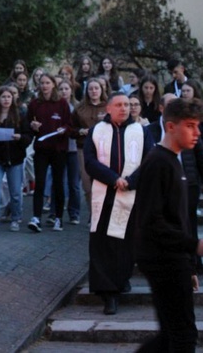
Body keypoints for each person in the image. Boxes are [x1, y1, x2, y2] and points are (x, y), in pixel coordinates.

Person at [135, 98, 203, 353]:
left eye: (198, 126)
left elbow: (179, 219)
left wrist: (189, 265)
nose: (197, 133)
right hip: (163, 261)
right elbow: (153, 221)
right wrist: (193, 246)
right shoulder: (157, 163)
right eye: (191, 126)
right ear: (171, 126)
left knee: (171, 334)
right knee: (183, 334)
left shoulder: (174, 160)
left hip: (175, 260)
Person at [84, 92, 153, 315]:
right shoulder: (97, 131)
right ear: (109, 108)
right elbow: (90, 161)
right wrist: (113, 178)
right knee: (103, 243)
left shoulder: (141, 131)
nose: (124, 108)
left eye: (127, 105)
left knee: (126, 243)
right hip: (104, 193)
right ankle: (108, 294)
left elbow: (150, 160)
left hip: (130, 194)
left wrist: (131, 181)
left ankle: (121, 280)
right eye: (119, 105)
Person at [27, 73, 72, 232]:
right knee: (39, 182)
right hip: (41, 149)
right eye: (42, 83)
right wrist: (32, 125)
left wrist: (63, 129)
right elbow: (27, 124)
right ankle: (36, 217)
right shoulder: (34, 104)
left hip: (58, 149)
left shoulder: (62, 103)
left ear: (53, 84)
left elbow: (69, 124)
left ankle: (58, 217)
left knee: (58, 183)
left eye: (47, 83)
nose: (44, 86)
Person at [0, 86, 33, 233]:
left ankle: (16, 218)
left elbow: (28, 136)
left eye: (8, 97)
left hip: (14, 158)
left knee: (16, 191)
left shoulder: (20, 116)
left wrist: (20, 138)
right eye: (3, 97)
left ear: (13, 99)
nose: (6, 100)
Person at [72, 78, 108, 212]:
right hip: (84, 148)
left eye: (96, 88)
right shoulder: (79, 108)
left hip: (105, 148)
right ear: (87, 91)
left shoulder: (108, 107)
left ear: (101, 90)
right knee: (87, 184)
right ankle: (93, 213)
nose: (94, 91)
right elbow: (71, 129)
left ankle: (103, 212)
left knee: (103, 182)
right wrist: (80, 131)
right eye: (91, 89)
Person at [56, 79, 82, 225]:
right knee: (57, 181)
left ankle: (74, 213)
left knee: (74, 183)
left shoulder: (77, 107)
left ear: (71, 90)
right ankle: (54, 212)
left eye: (66, 88)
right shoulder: (55, 106)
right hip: (59, 148)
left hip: (73, 148)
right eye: (61, 89)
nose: (64, 91)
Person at [180, 79, 203, 144]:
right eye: (183, 91)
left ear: (194, 91)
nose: (185, 93)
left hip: (198, 140)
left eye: (188, 91)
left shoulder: (202, 107)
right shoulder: (179, 106)